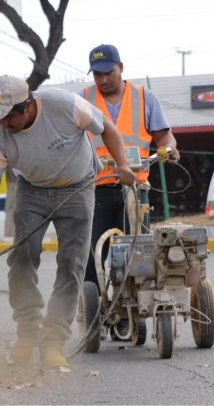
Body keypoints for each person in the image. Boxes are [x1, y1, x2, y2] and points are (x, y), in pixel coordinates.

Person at [0, 74, 136, 370]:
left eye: (8, 117)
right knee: (21, 257)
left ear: (28, 106)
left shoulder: (65, 105)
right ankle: (28, 332)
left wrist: (121, 163)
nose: (3, 124)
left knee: (72, 264)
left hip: (78, 186)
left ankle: (54, 341)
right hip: (32, 191)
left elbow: (106, 128)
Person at [82, 44, 180, 336]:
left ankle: (127, 312)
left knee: (136, 252)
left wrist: (170, 150)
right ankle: (95, 311)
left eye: (108, 72)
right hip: (97, 188)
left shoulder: (144, 98)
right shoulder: (83, 100)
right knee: (92, 254)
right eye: (97, 74)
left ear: (121, 68)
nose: (102, 80)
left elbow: (165, 137)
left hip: (137, 189)